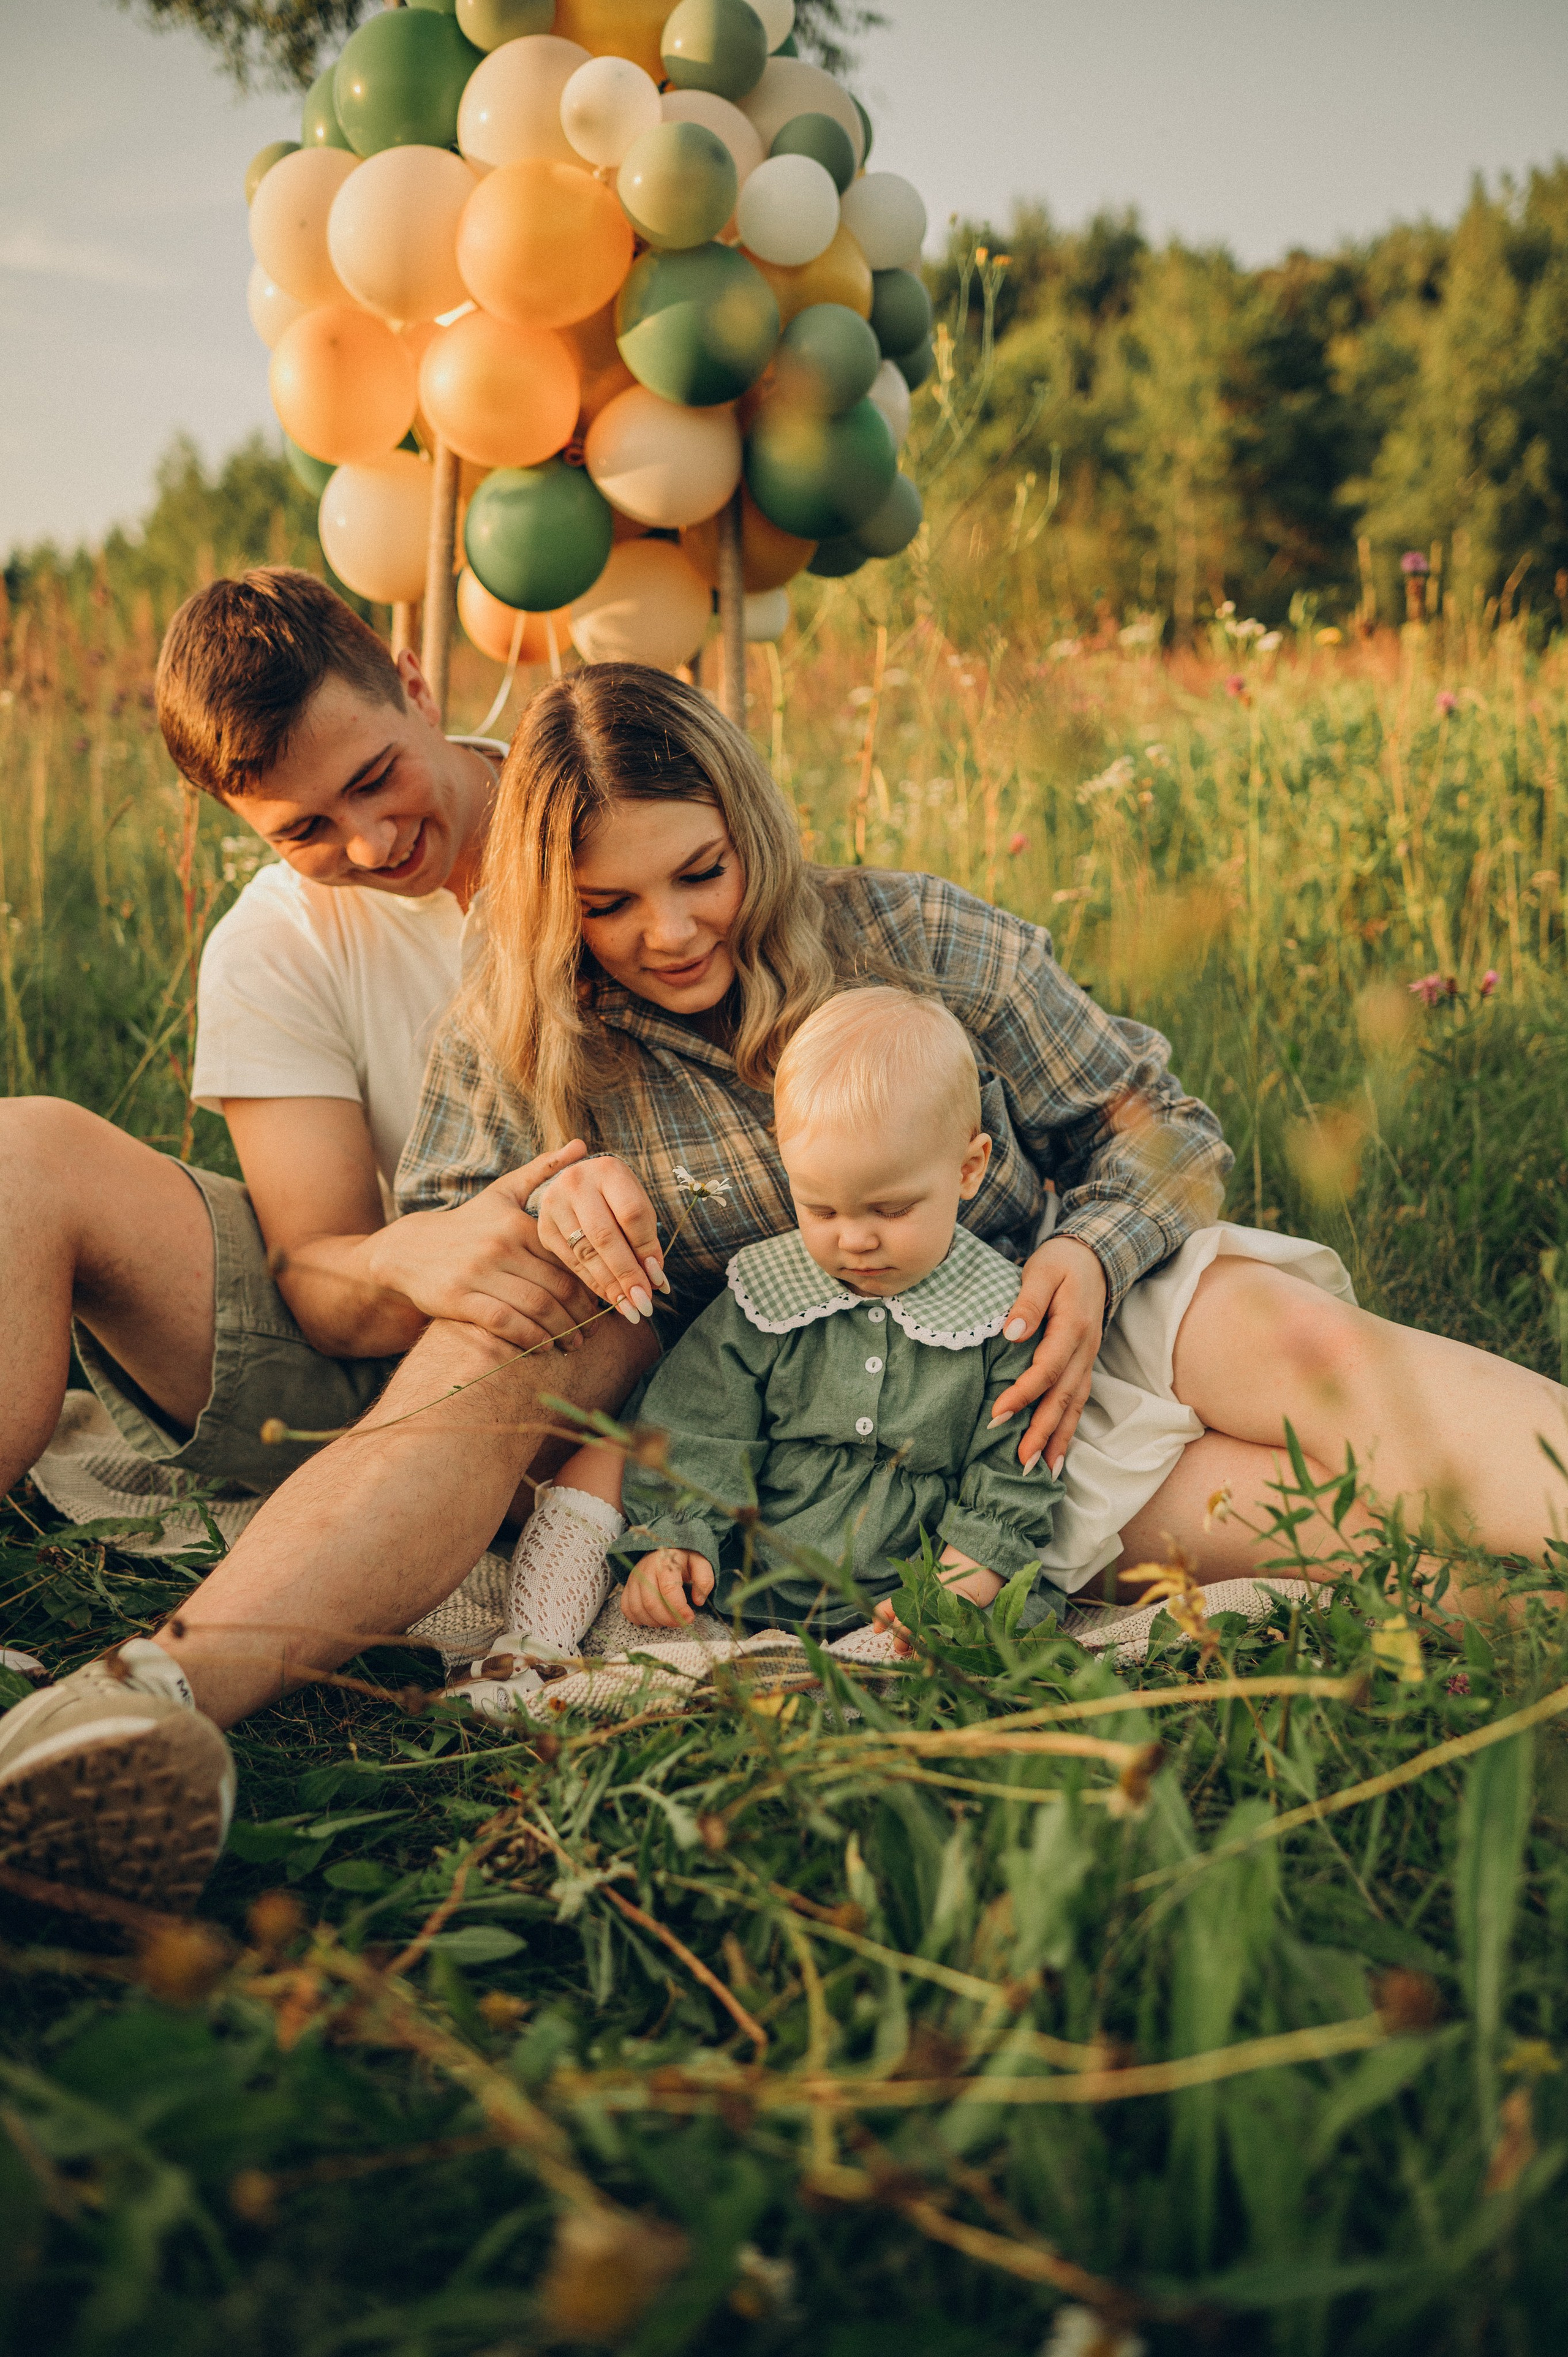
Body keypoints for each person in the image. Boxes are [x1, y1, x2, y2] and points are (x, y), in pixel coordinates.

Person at [4, 663, 1566, 1908]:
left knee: (1411, 1416)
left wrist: (1095, 1244)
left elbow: (1162, 1127)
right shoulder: (525, 1025)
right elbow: (446, 1253)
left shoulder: (915, 929)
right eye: (605, 906)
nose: (665, 932)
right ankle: (158, 1704)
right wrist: (537, 1201)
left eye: (697, 873)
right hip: (948, 1440)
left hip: (1067, 1296)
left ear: (747, 821)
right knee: (1376, 1541)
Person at [477, 988, 1070, 1714]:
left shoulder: (1000, 1314)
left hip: (905, 1589)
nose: (853, 1238)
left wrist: (949, 1594)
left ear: (968, 1169)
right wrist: (678, 1539)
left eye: (891, 1209)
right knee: (610, 1459)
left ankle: (864, 1668)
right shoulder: (768, 1292)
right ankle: (532, 1647)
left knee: (936, 1656)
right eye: (820, 1208)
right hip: (754, 1570)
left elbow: (1011, 1480)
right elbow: (700, 1424)